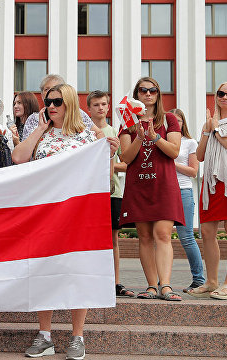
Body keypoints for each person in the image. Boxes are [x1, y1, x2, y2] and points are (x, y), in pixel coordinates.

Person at [13, 84, 120, 360]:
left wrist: (109, 153)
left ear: (70, 103)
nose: (51, 106)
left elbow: (104, 179)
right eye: (48, 101)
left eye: (58, 102)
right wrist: (39, 129)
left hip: (77, 217)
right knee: (44, 271)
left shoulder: (87, 135)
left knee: (76, 272)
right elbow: (18, 158)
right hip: (45, 217)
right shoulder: (42, 133)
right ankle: (45, 335)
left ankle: (77, 336)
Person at [118, 77, 184, 301]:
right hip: (139, 186)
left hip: (164, 185)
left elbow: (174, 151)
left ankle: (165, 285)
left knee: (163, 234)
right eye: (143, 90)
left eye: (153, 90)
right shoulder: (127, 121)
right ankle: (151, 286)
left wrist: (155, 137)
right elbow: (125, 158)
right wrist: (139, 136)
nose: (148, 94)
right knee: (144, 236)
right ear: (136, 95)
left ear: (158, 94)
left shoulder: (169, 119)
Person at [188, 81, 227, 300]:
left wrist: (217, 130)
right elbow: (201, 155)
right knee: (206, 231)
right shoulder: (211, 122)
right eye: (221, 93)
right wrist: (207, 131)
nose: (225, 97)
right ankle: (212, 281)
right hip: (211, 180)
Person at [86, 90, 134, 298]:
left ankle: (115, 282)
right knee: (90, 236)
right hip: (89, 191)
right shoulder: (84, 131)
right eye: (96, 104)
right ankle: (91, 278)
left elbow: (127, 163)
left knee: (113, 238)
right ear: (88, 108)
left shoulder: (115, 131)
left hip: (113, 190)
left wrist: (111, 164)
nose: (100, 108)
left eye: (104, 104)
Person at [169, 108, 205, 293]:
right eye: (172, 120)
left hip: (183, 191)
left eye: (179, 120)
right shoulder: (162, 141)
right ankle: (163, 283)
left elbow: (193, 171)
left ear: (183, 123)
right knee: (162, 237)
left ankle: (199, 279)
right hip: (165, 193)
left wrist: (171, 162)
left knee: (186, 237)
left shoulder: (190, 142)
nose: (176, 123)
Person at [21, 74, 102, 142]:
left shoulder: (78, 113)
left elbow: (98, 133)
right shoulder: (33, 119)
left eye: (55, 88)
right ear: (42, 95)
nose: (51, 91)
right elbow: (23, 151)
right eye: (46, 89)